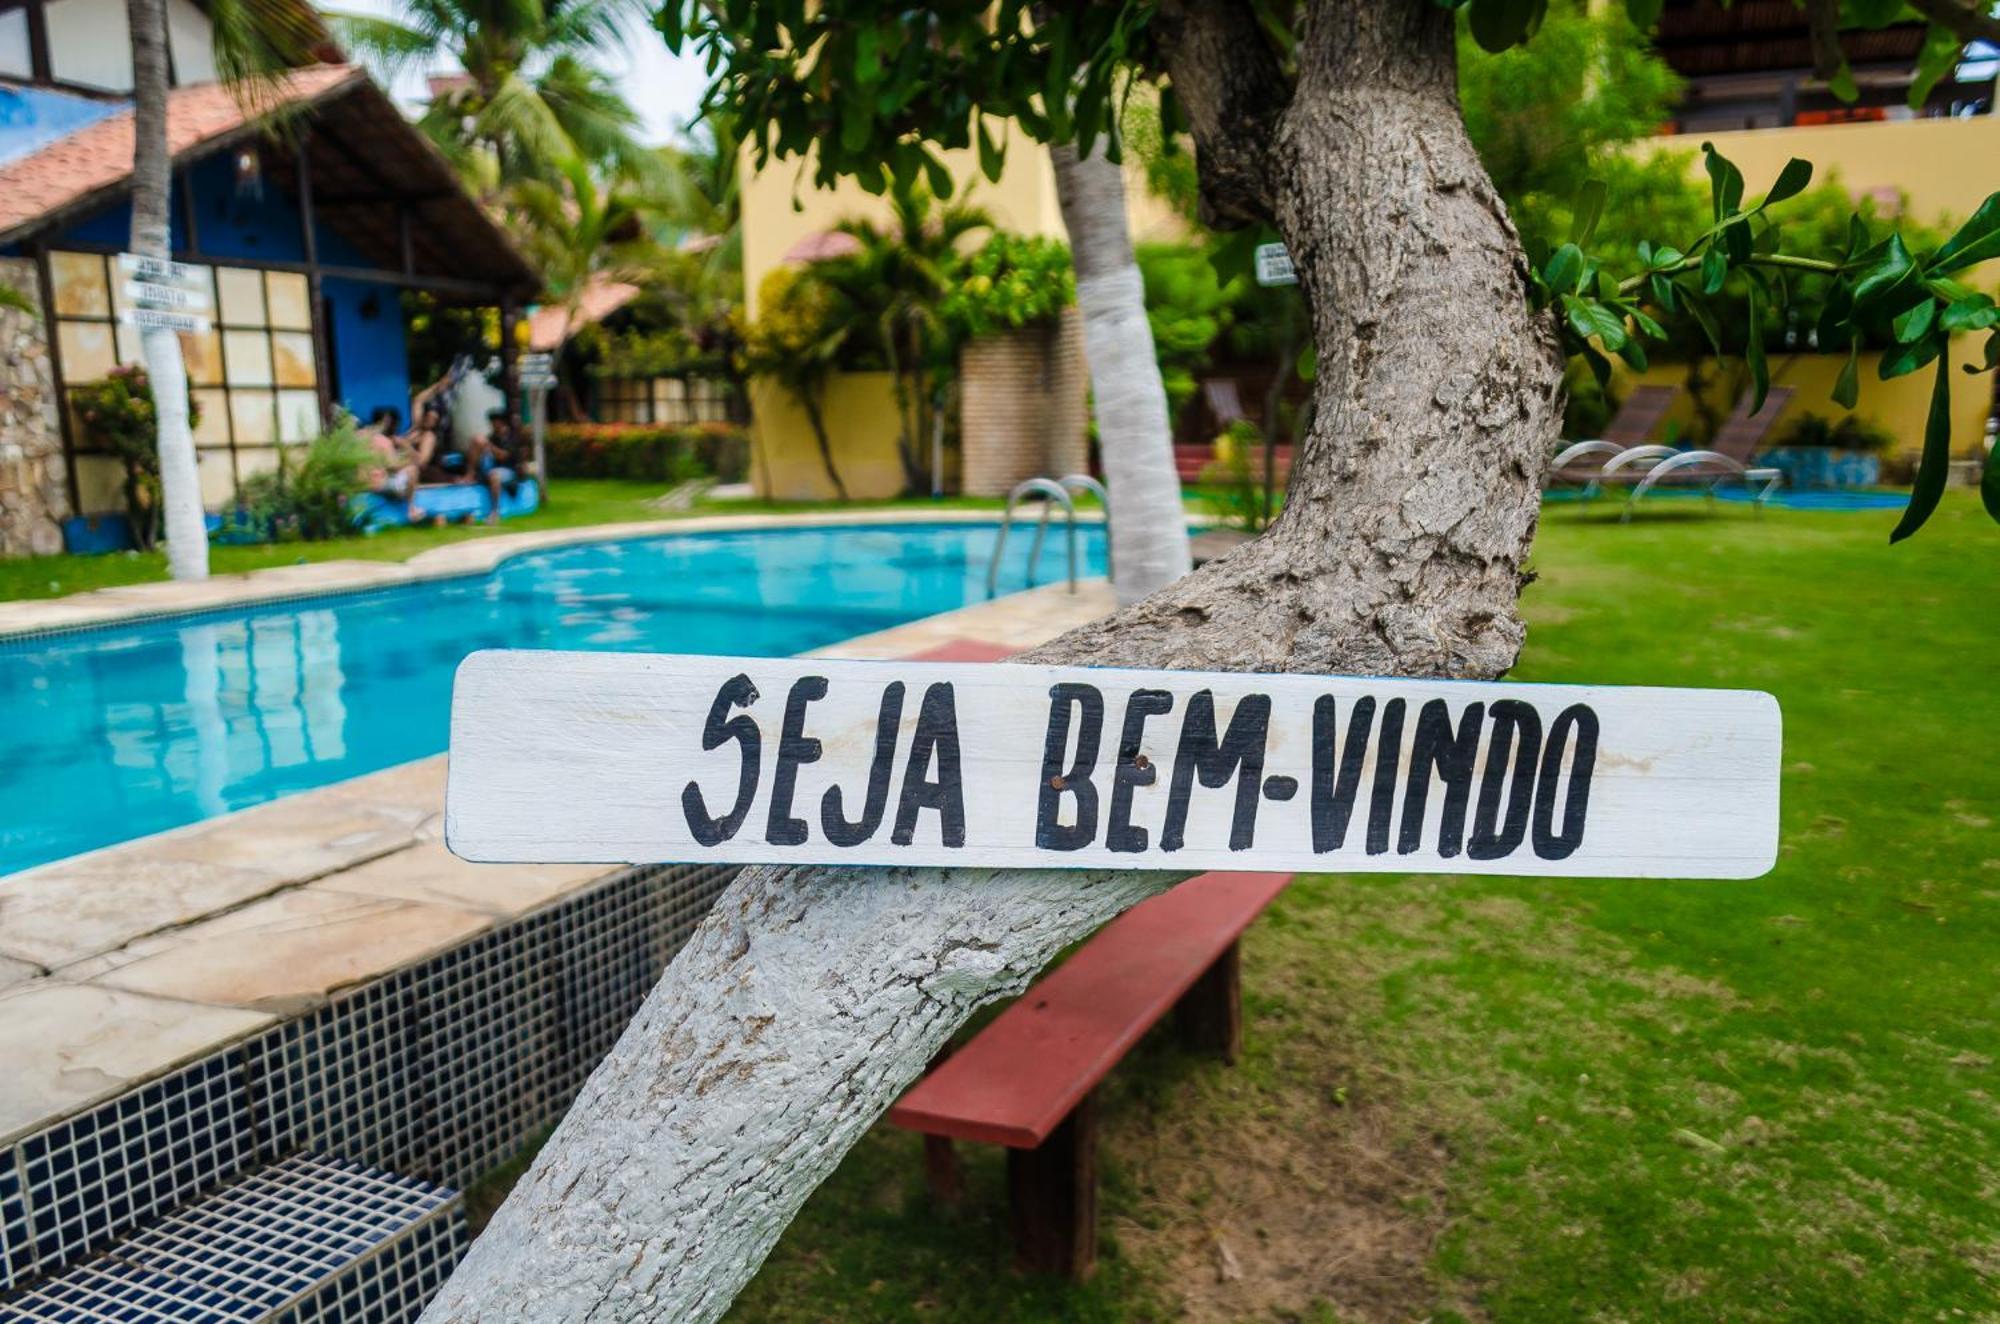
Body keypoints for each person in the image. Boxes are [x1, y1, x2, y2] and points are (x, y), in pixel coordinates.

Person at [359, 406, 421, 522]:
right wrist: (407, 453)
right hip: (377, 485)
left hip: (359, 485)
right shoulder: (382, 440)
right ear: (384, 423)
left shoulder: (358, 437)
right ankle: (412, 509)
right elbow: (393, 466)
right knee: (413, 470)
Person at [476, 409, 527, 524]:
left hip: (510, 471)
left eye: (494, 422)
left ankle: (495, 511)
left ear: (501, 422)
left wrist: (489, 446)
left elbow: (503, 456)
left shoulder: (511, 437)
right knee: (478, 443)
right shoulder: (493, 437)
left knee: (495, 476)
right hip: (493, 468)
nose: (492, 425)